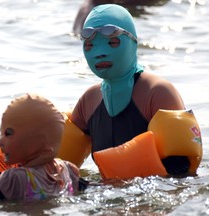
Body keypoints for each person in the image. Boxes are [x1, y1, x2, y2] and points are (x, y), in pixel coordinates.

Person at [71, 4, 189, 175]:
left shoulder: (158, 93)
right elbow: (59, 170)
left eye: (112, 42)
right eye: (89, 45)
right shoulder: (88, 101)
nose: (99, 53)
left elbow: (181, 172)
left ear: (133, 43)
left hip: (150, 196)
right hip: (107, 197)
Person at [0, 93, 87, 201]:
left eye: (8, 133)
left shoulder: (14, 178)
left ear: (35, 143)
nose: (0, 141)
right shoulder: (68, 170)